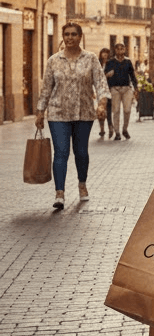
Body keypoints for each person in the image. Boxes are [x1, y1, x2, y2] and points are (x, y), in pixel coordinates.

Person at [35, 22, 110, 210]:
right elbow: (46, 88)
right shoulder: (54, 60)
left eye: (74, 34)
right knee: (61, 152)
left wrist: (102, 103)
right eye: (66, 34)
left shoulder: (91, 59)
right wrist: (40, 112)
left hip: (84, 113)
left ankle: (82, 184)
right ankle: (59, 193)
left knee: (81, 152)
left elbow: (101, 83)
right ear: (63, 37)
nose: (70, 38)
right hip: (57, 113)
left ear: (80, 37)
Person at [104, 42, 139, 140]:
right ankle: (117, 132)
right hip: (115, 89)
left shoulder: (128, 62)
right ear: (115, 50)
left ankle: (125, 129)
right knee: (116, 111)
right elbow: (103, 76)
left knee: (127, 110)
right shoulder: (110, 62)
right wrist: (108, 75)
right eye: (118, 49)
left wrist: (136, 88)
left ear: (125, 50)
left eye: (122, 48)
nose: (120, 50)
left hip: (126, 88)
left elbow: (132, 76)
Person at [96, 47, 114, 139]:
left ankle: (110, 127)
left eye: (106, 53)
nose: (105, 55)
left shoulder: (111, 64)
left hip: (109, 89)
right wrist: (106, 75)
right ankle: (102, 128)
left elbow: (113, 75)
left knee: (109, 110)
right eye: (103, 53)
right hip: (100, 89)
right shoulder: (98, 64)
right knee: (100, 109)